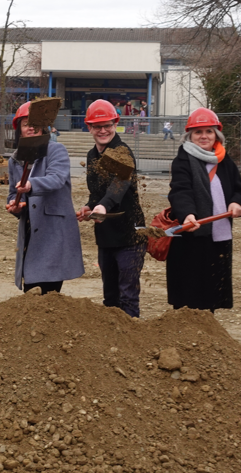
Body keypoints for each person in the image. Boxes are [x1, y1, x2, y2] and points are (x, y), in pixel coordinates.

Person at [165, 107, 241, 311]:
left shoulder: (225, 160)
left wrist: (236, 203)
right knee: (189, 293)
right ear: (190, 136)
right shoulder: (183, 160)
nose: (204, 136)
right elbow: (180, 190)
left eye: (209, 131)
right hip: (191, 235)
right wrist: (187, 214)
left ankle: (208, 325)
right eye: (198, 132)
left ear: (216, 134)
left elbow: (239, 190)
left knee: (211, 292)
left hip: (219, 237)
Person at [74, 99, 146, 317]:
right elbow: (97, 192)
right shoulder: (92, 155)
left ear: (116, 124)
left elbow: (119, 184)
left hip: (130, 235)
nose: (103, 131)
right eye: (97, 126)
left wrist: (103, 206)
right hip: (106, 235)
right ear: (89, 127)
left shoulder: (122, 151)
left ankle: (131, 333)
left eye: (107, 125)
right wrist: (89, 206)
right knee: (110, 296)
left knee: (127, 295)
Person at [6, 102, 83, 293]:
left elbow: (56, 179)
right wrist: (15, 205)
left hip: (53, 232)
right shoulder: (15, 159)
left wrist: (31, 185)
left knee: (48, 290)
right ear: (19, 129)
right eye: (26, 124)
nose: (31, 128)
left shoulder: (56, 150)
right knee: (31, 289)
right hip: (31, 232)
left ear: (43, 127)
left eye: (35, 123)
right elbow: (13, 193)